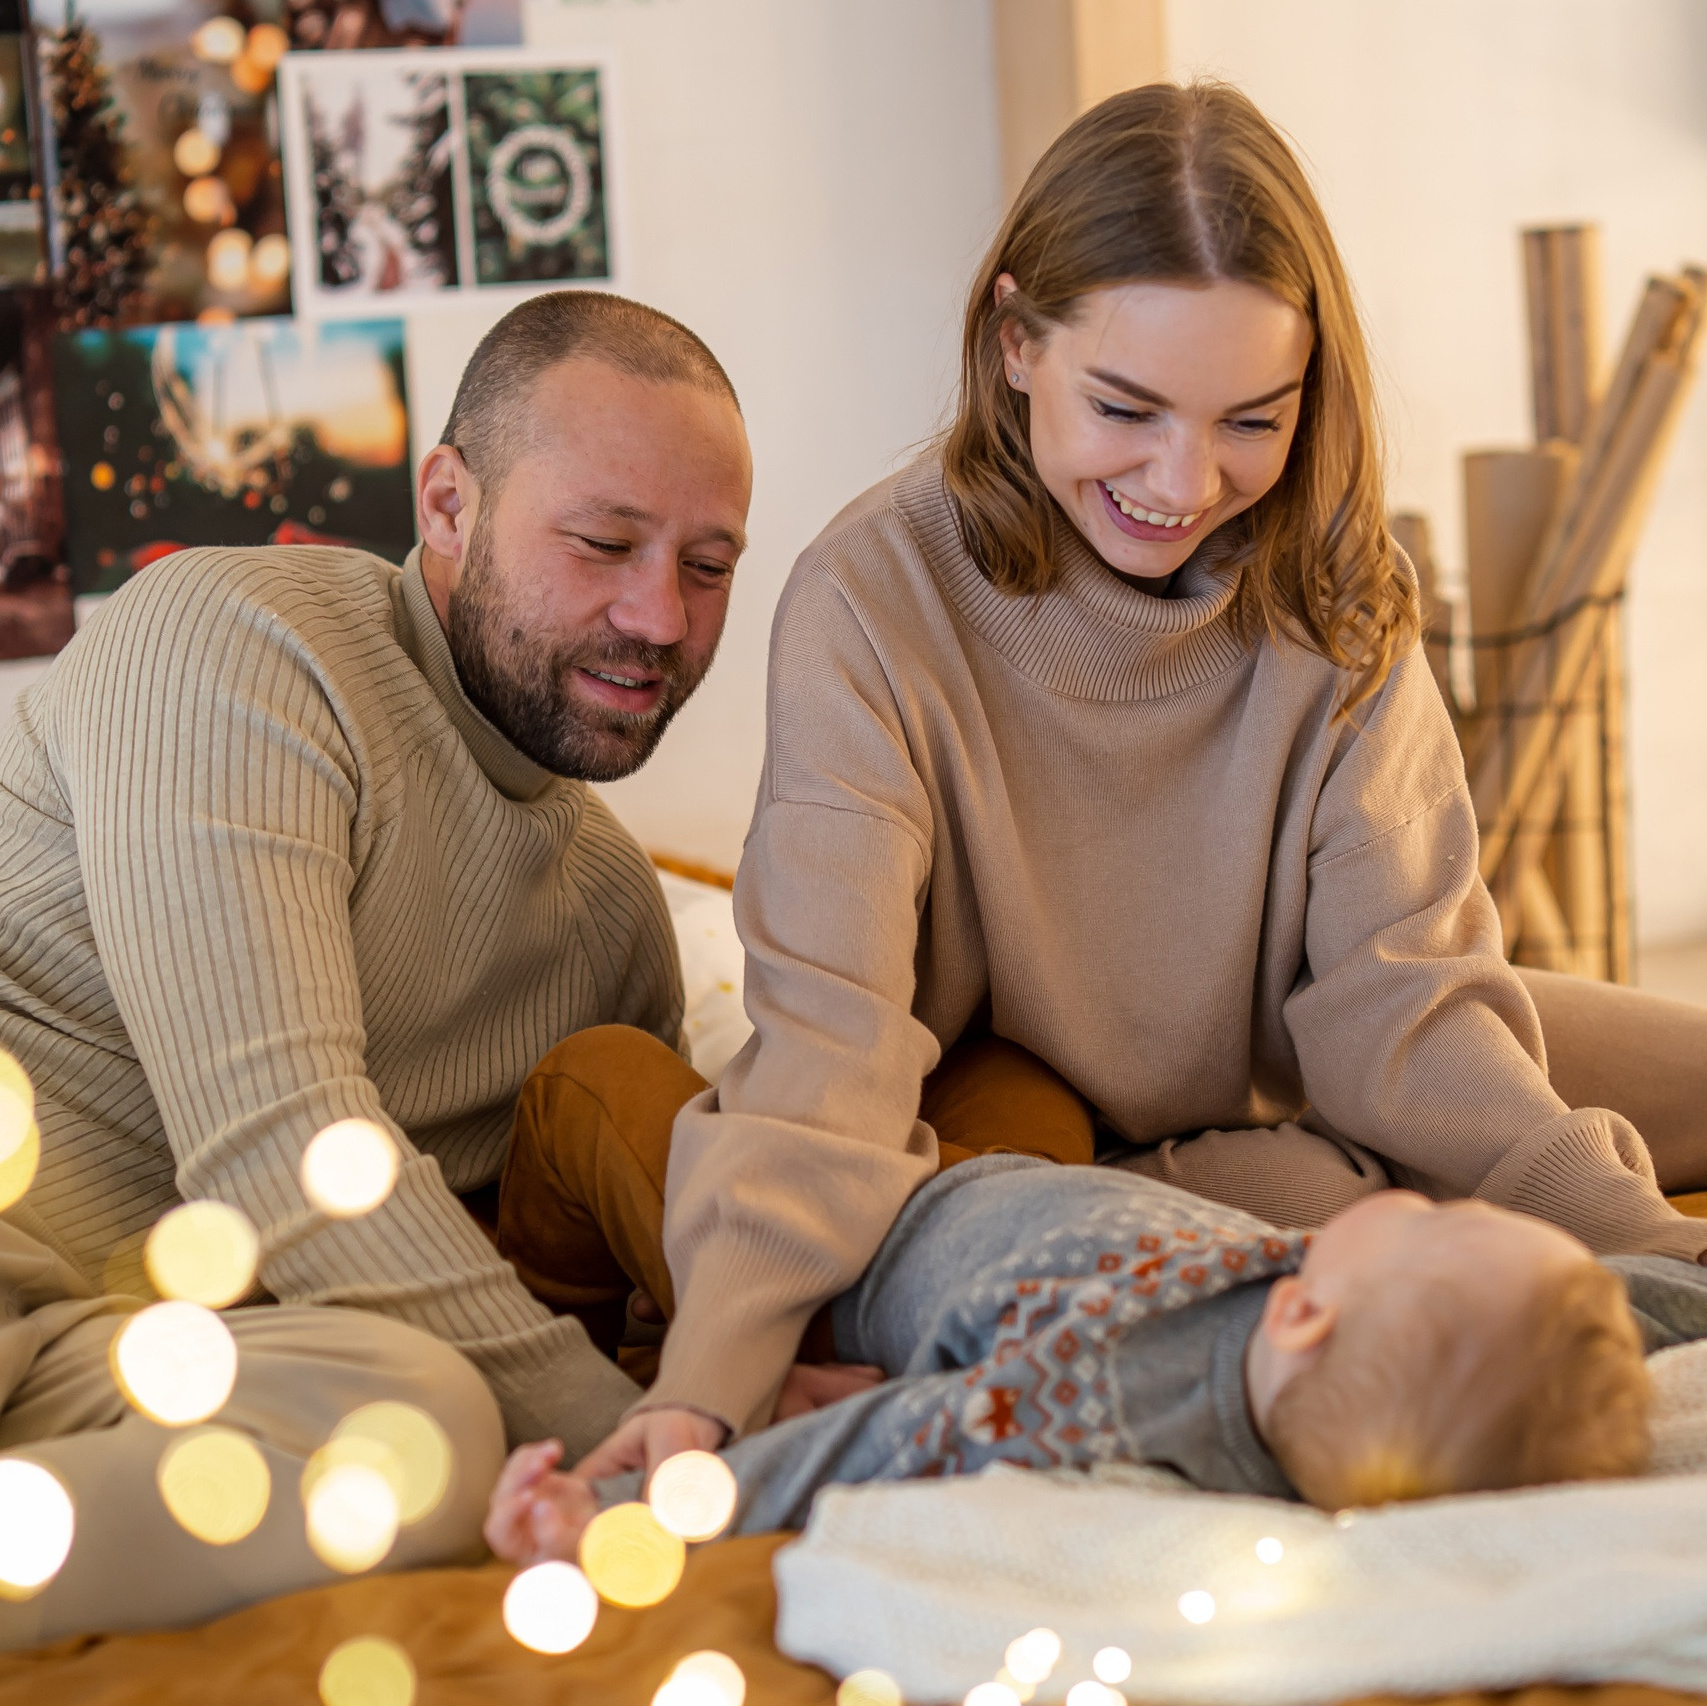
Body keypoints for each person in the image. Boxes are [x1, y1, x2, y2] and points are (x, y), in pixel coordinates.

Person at [495, 82, 1707, 1491]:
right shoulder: (870, 599)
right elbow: (828, 1044)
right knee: (1307, 1248)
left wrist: (1659, 1257)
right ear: (1013, 340)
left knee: (1581, 1124)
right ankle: (1353, 1206)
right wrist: (704, 1393)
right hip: (1032, 1124)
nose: (1183, 479)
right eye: (1122, 407)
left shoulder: (1338, 590)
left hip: (1306, 1053)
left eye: (1250, 419)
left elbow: (1409, 1011)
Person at [0, 289, 752, 1643]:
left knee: (421, 1429)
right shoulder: (236, 641)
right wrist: (662, 1451)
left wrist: (698, 1390)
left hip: (111, 1362)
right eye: (604, 542)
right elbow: (280, 1141)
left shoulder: (614, 918)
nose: (657, 616)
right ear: (449, 503)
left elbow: (517, 1275)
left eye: (707, 567)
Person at [484, 1159, 1664, 1558]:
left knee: (600, 1088)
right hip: (1011, 1174)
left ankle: (659, 1329)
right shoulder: (1367, 1344)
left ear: (1305, 1317)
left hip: (857, 1239)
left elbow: (874, 1448)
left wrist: (613, 1511)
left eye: (1430, 1218)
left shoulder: (1075, 1406)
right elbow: (1603, 1314)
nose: (1418, 1196)